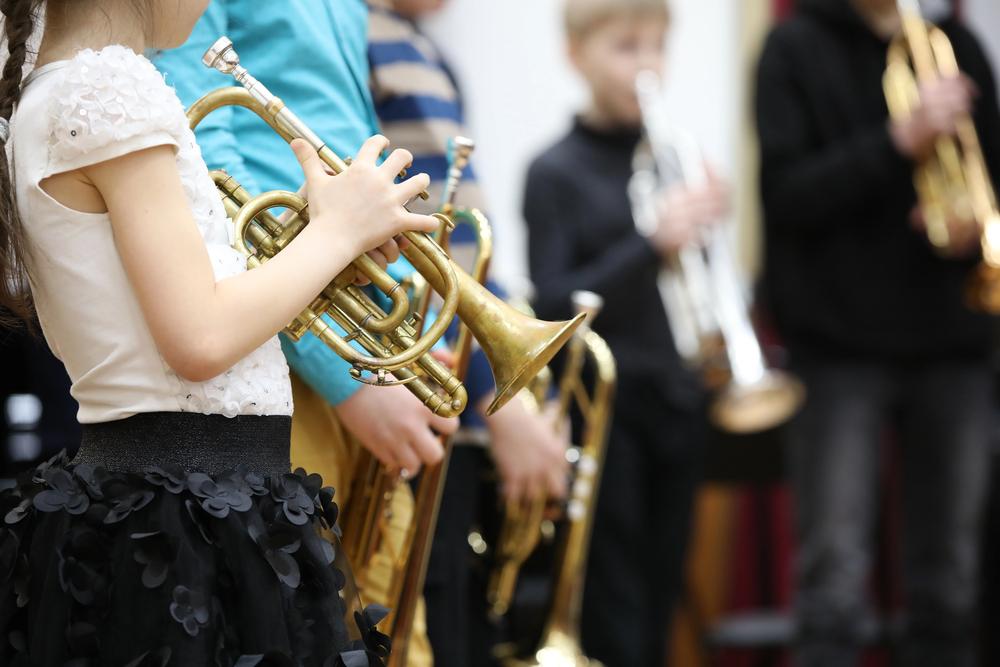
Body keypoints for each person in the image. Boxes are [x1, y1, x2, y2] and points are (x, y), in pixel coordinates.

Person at [0, 0, 442, 662]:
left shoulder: (60, 89)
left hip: (169, 496)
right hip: (189, 512)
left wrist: (322, 250)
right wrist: (336, 232)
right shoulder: (110, 88)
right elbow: (200, 339)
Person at [755, 0, 1000, 665]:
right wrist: (900, 140)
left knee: (951, 589)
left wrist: (971, 219)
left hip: (953, 343)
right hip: (838, 350)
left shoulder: (959, 47)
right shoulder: (792, 49)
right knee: (833, 589)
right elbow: (785, 195)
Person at [524, 0, 729, 664]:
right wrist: (651, 242)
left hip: (678, 397)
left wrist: (708, 236)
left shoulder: (673, 160)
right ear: (575, 55)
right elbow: (552, 302)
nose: (646, 65)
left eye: (656, 47)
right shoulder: (554, 171)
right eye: (625, 47)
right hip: (606, 410)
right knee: (616, 600)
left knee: (664, 588)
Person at [367, 1, 571, 665]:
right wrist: (496, 397)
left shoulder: (425, 52)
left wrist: (527, 389)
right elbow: (424, 254)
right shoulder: (367, 37)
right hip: (424, 390)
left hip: (457, 379)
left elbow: (468, 250)